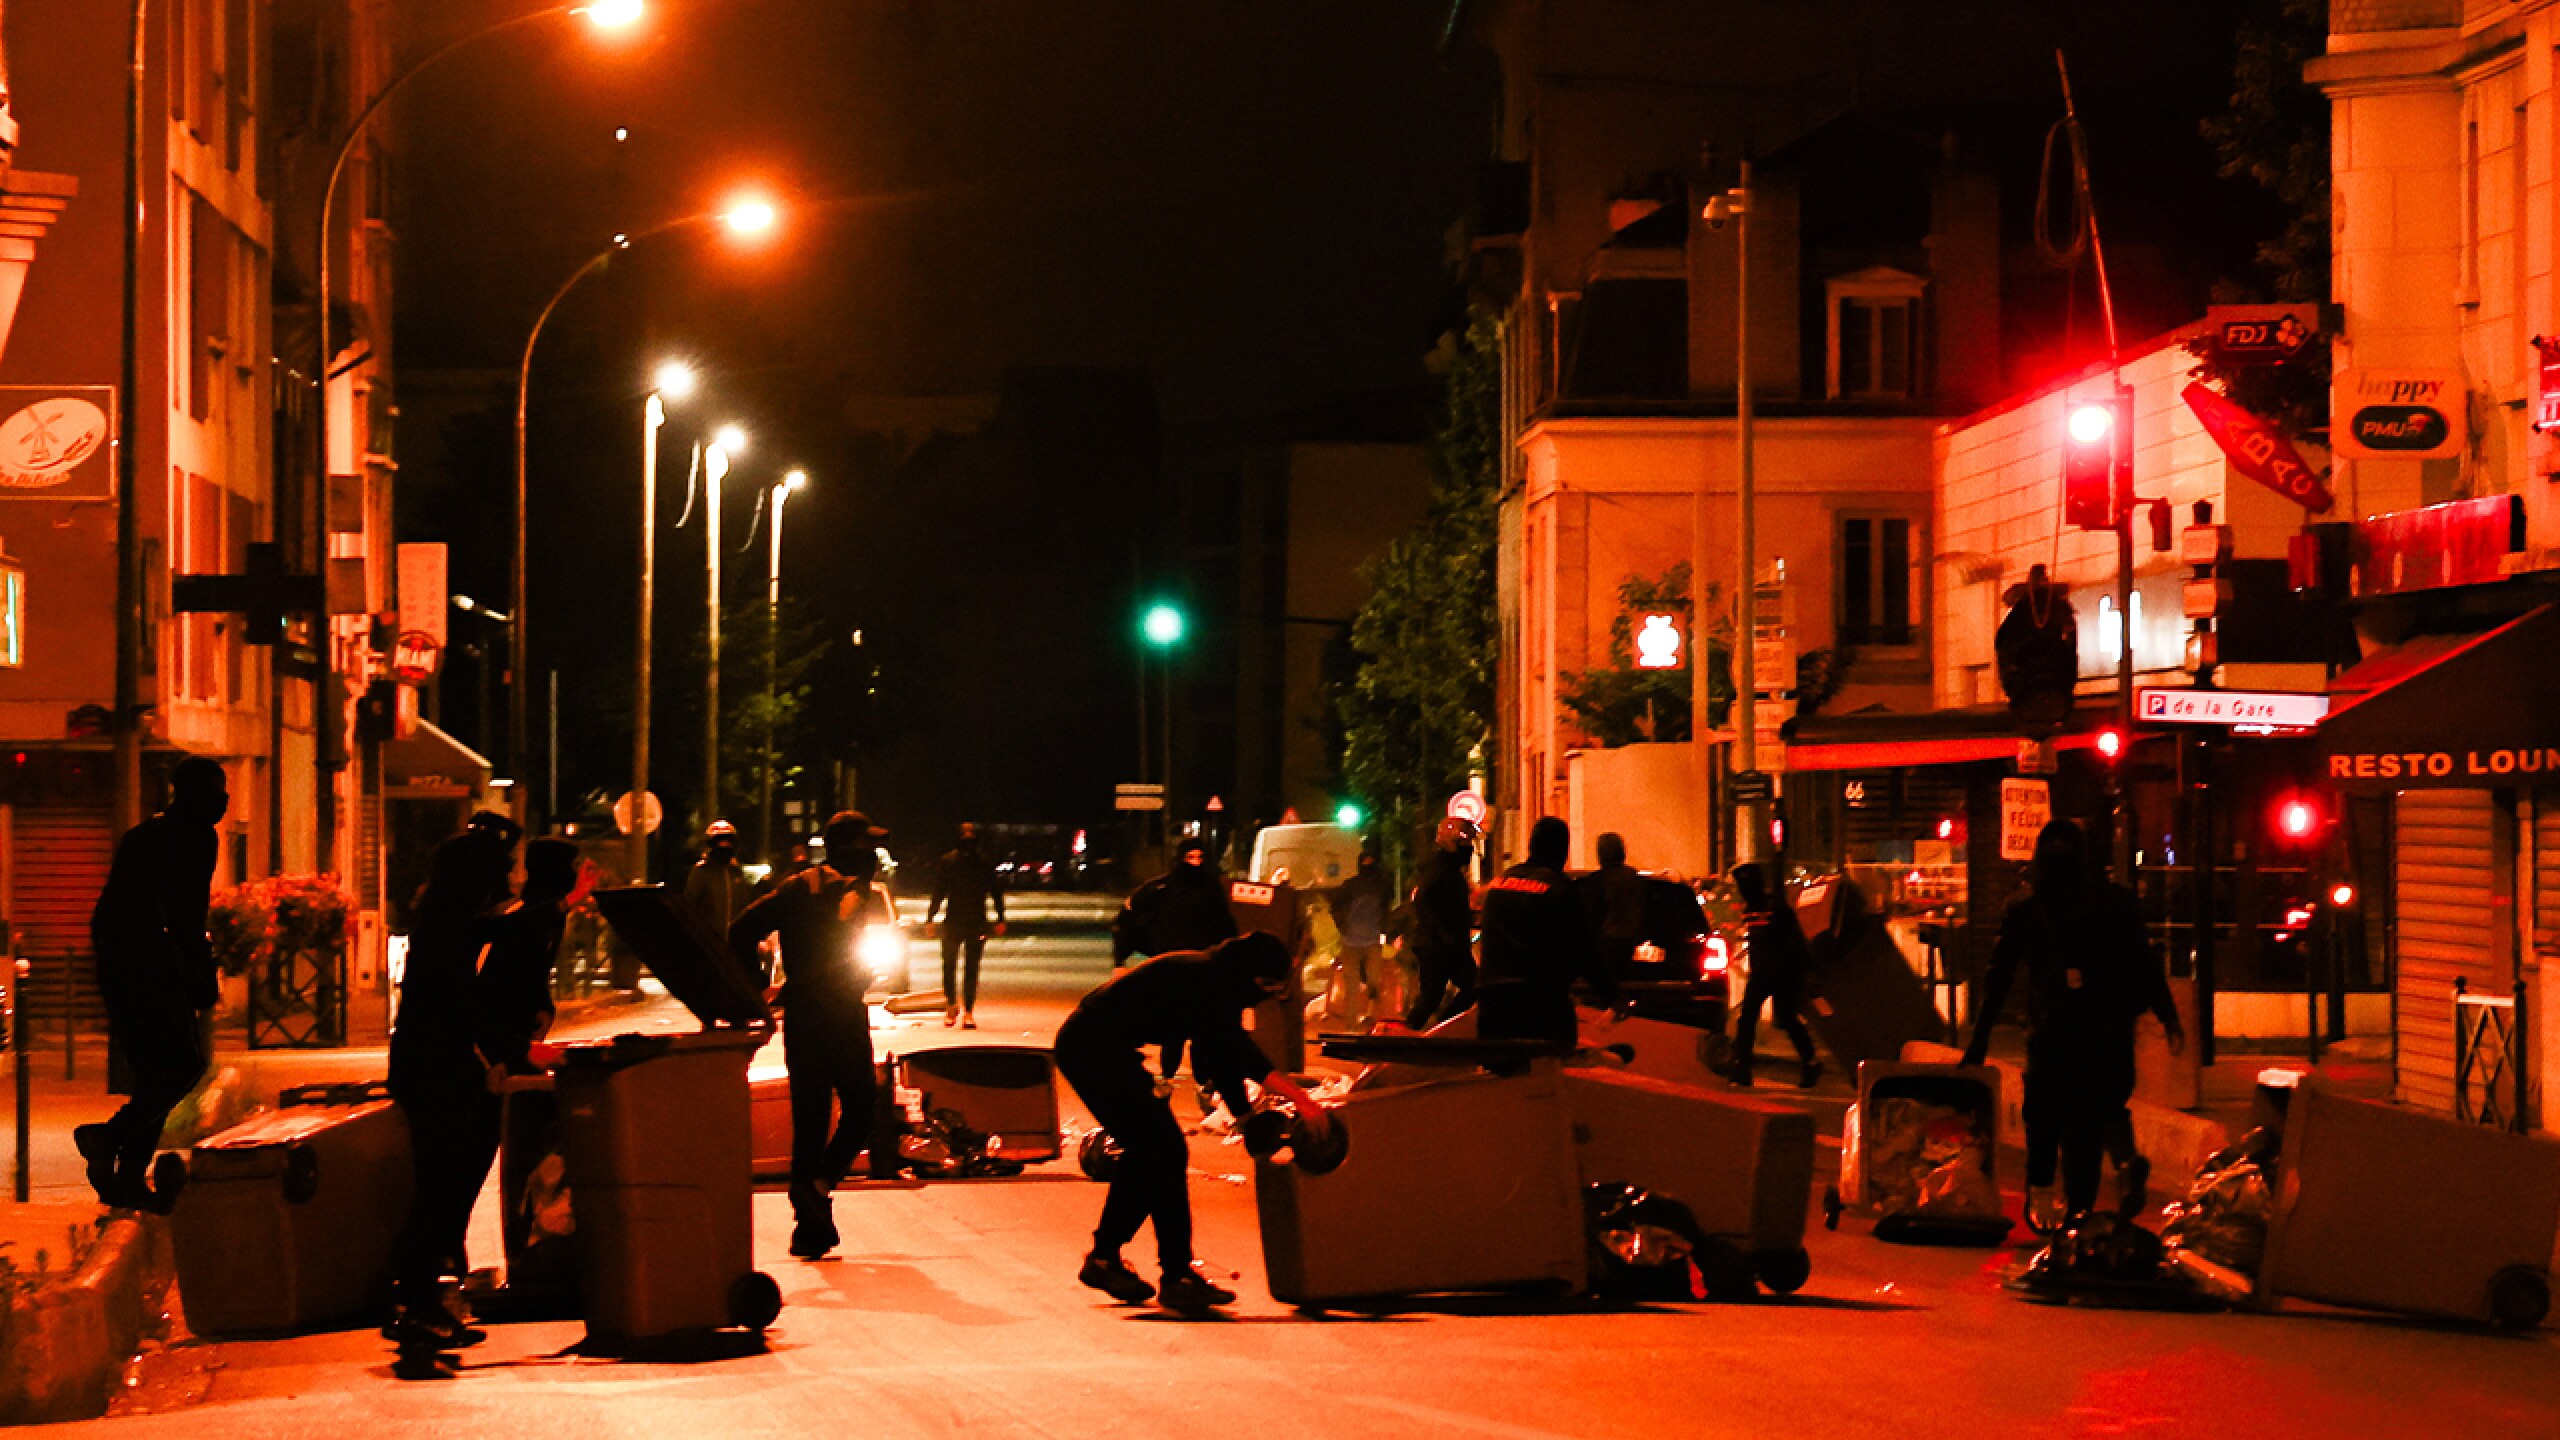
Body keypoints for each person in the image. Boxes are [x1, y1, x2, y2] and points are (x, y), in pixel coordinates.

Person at [1053, 932, 1331, 1315]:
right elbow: (1237, 1050)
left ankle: (1106, 1259)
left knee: (1151, 1151)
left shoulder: (1216, 977)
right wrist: (1301, 1099)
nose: (1265, 995)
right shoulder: (1206, 978)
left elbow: (1218, 1055)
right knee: (1163, 1150)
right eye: (1266, 985)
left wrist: (1245, 1115)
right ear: (1251, 973)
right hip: (1093, 1052)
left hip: (1102, 1049)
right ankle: (1176, 1275)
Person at [1962, 818, 2185, 1224]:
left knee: (2044, 1117)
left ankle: (2045, 1196)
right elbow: (2145, 961)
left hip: (2053, 1032)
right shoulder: (2116, 903)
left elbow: (1999, 977)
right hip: (2109, 1030)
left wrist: (1979, 1041)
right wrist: (2168, 1015)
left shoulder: (2027, 911)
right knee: (2099, 1113)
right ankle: (2114, 1172)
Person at [730, 811, 892, 1260]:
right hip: (835, 1014)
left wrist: (760, 988)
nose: (873, 853)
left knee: (813, 1121)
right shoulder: (806, 888)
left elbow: (741, 931)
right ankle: (815, 1190)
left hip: (808, 1015)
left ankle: (810, 1224)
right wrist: (759, 989)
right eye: (867, 843)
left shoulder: (812, 887)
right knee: (858, 1109)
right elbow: (741, 931)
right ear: (846, 846)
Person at [384, 820, 518, 1348]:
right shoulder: (450, 927)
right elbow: (461, 1005)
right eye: (501, 869)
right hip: (438, 1071)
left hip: (430, 1067)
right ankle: (418, 1301)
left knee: (446, 1187)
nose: (508, 878)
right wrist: (506, 1051)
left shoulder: (446, 917)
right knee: (443, 1187)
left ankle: (426, 1297)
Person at [75, 757, 227, 1213]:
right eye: (216, 791)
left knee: (154, 1072)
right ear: (192, 794)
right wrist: (201, 972)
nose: (223, 801)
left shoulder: (143, 835)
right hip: (150, 963)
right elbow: (186, 914)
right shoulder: (196, 837)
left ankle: (125, 1176)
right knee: (183, 1065)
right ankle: (108, 1138)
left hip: (119, 962)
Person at [1475, 816, 1615, 1049]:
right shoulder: (1560, 890)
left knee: (1498, 1079)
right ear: (1562, 851)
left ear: (1531, 846)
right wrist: (1610, 995)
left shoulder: (1499, 884)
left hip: (1493, 1005)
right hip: (1540, 1006)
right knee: (1549, 1076)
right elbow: (1583, 951)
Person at [1725, 862, 1821, 1089]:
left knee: (1785, 1019)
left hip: (1782, 972)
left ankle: (1810, 1062)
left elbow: (1795, 940)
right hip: (1762, 973)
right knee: (1747, 1019)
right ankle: (1743, 1068)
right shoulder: (1751, 910)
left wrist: (1805, 970)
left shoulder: (1775, 908)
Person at [926, 822, 1006, 1028]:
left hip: (975, 922)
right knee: (950, 965)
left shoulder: (982, 863)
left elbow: (995, 891)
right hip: (955, 921)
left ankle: (967, 1010)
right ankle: (952, 1005)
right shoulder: (950, 862)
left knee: (970, 968)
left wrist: (1000, 918)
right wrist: (930, 918)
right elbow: (939, 891)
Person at [1402, 817, 1479, 1030]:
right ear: (1451, 844)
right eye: (1465, 845)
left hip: (1444, 945)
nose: (1469, 850)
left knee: (1436, 995)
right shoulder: (1442, 871)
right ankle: (1430, 1031)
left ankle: (1435, 1029)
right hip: (1441, 947)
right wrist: (1443, 934)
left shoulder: (1448, 870)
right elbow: (1424, 901)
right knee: (1442, 993)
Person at [1110, 838, 1235, 967]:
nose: (1196, 862)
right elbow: (1126, 919)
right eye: (1190, 857)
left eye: (1200, 857)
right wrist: (1120, 960)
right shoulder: (1160, 888)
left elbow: (1224, 924)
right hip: (1166, 959)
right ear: (1181, 858)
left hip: (1200, 960)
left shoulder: (1213, 889)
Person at [1328, 850, 1392, 1025]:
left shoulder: (1376, 886)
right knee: (1355, 983)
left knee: (1371, 982)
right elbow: (1335, 908)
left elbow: (1385, 910)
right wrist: (1344, 928)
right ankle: (1354, 1021)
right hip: (1356, 942)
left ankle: (1369, 1019)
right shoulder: (1358, 886)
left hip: (1367, 940)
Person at [1579, 832, 1647, 978]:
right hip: (1634, 942)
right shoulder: (1635, 879)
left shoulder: (1595, 882)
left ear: (1601, 854)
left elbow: (1590, 915)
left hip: (1606, 943)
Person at [683, 820, 749, 933]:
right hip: (708, 940)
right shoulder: (702, 871)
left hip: (734, 941)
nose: (724, 846)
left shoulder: (735, 872)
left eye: (728, 841)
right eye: (720, 842)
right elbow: (689, 907)